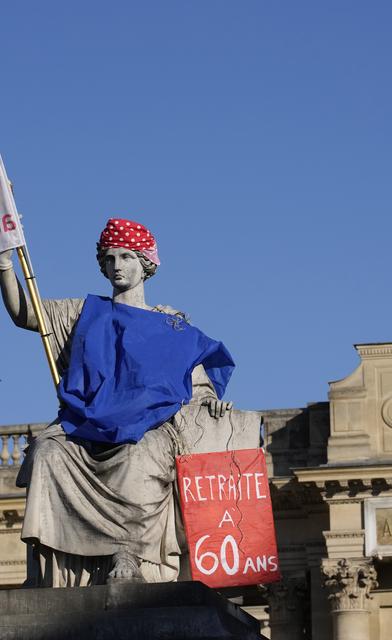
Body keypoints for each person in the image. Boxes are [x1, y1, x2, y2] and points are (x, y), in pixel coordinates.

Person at [0, 218, 234, 587]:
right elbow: (22, 313)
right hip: (86, 422)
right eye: (109, 258)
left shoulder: (170, 325)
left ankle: (127, 551)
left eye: (126, 256)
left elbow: (196, 383)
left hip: (146, 427)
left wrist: (211, 404)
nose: (117, 266)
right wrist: (4, 264)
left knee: (136, 454)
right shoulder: (83, 313)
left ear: (146, 263)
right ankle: (48, 568)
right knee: (47, 452)